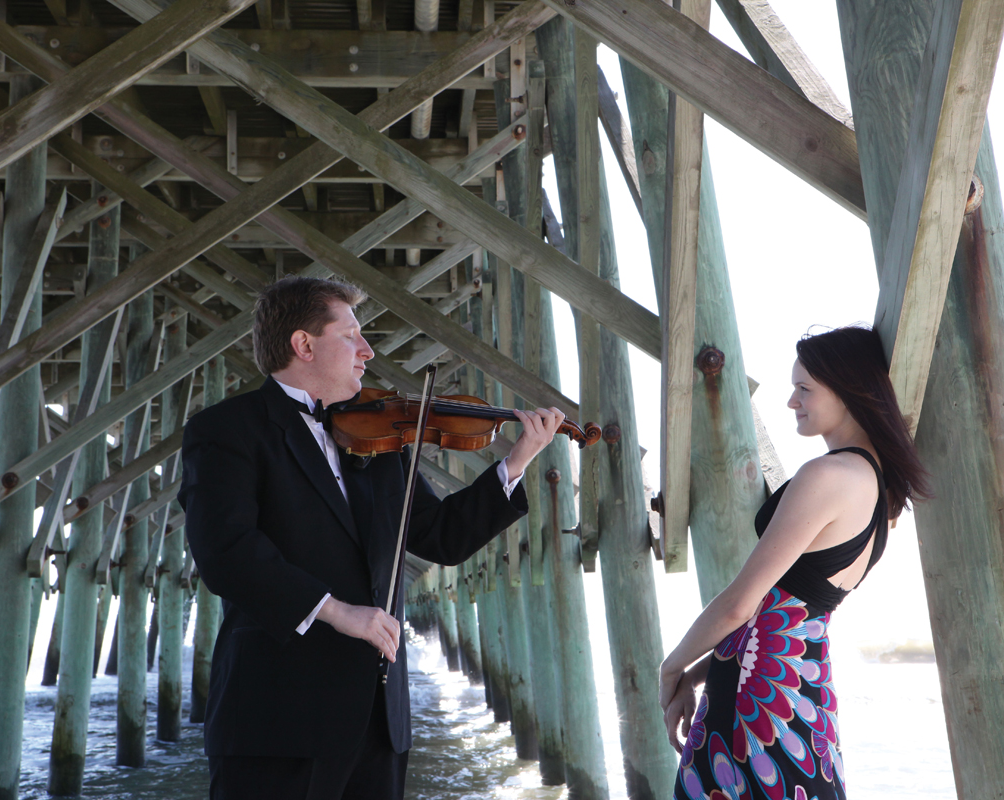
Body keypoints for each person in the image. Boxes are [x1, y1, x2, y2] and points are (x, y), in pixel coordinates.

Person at [178, 276, 566, 800]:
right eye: (351, 336)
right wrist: (339, 611)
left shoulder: (378, 441)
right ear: (303, 344)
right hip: (278, 721)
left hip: (380, 723)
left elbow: (441, 536)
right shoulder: (226, 430)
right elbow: (226, 553)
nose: (368, 351)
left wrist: (516, 462)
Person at [661, 326, 930, 800]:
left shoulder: (828, 475)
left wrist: (671, 668)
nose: (791, 401)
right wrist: (697, 673)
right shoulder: (884, 492)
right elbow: (788, 615)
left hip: (758, 692)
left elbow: (741, 605)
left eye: (804, 388)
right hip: (801, 685)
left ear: (849, 393)